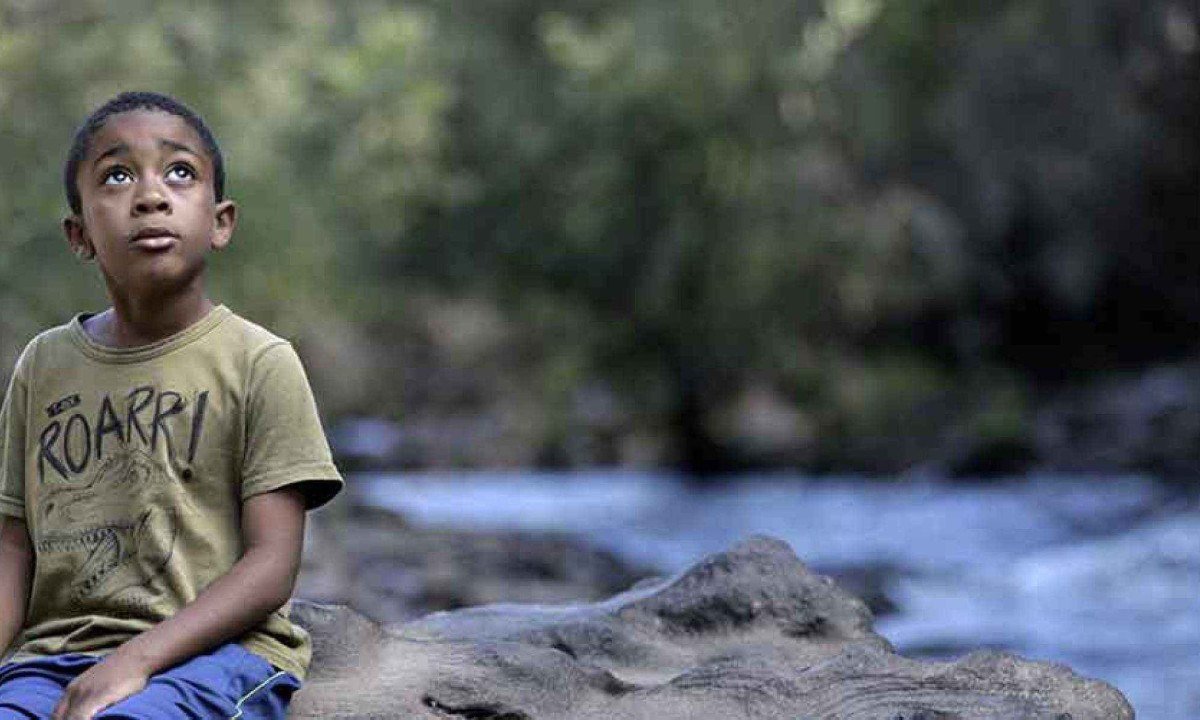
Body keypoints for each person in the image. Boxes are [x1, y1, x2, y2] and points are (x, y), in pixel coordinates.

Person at [0, 91, 344, 719]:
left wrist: (133, 662)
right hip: (49, 661)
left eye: (180, 172)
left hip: (217, 657)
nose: (151, 195)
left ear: (220, 221)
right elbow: (14, 550)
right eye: (117, 175)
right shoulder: (43, 365)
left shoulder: (259, 362)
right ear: (79, 234)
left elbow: (272, 565)